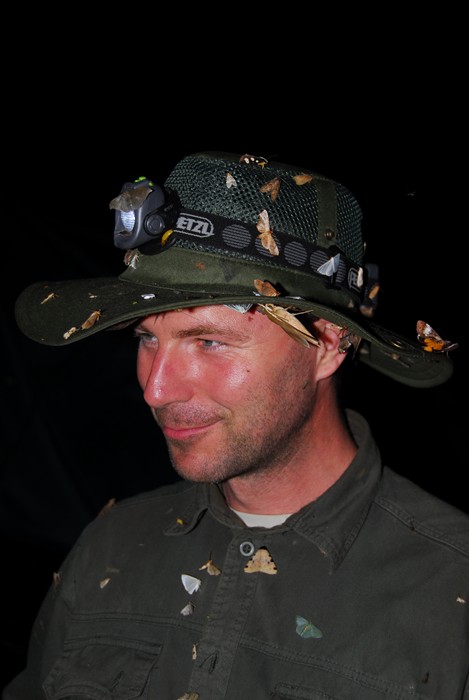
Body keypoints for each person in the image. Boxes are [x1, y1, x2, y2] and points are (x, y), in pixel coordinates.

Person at [4, 151, 468, 700]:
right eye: (147, 338)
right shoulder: (111, 546)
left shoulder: (450, 588)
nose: (156, 389)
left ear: (326, 344)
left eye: (209, 341)